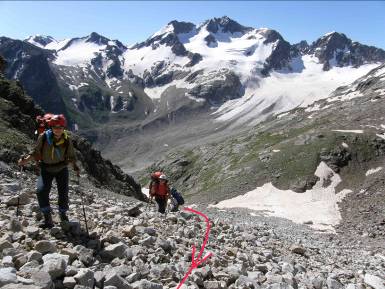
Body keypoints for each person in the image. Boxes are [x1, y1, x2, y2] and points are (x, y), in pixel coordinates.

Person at [18, 114, 80, 228]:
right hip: (45, 168)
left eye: (60, 127)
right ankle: (47, 217)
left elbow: (71, 156)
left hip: (61, 169)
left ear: (63, 128)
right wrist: (25, 160)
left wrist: (75, 167)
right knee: (41, 191)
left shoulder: (67, 140)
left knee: (63, 193)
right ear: (51, 127)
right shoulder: (43, 137)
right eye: (55, 127)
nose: (57, 129)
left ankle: (63, 214)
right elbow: (36, 152)